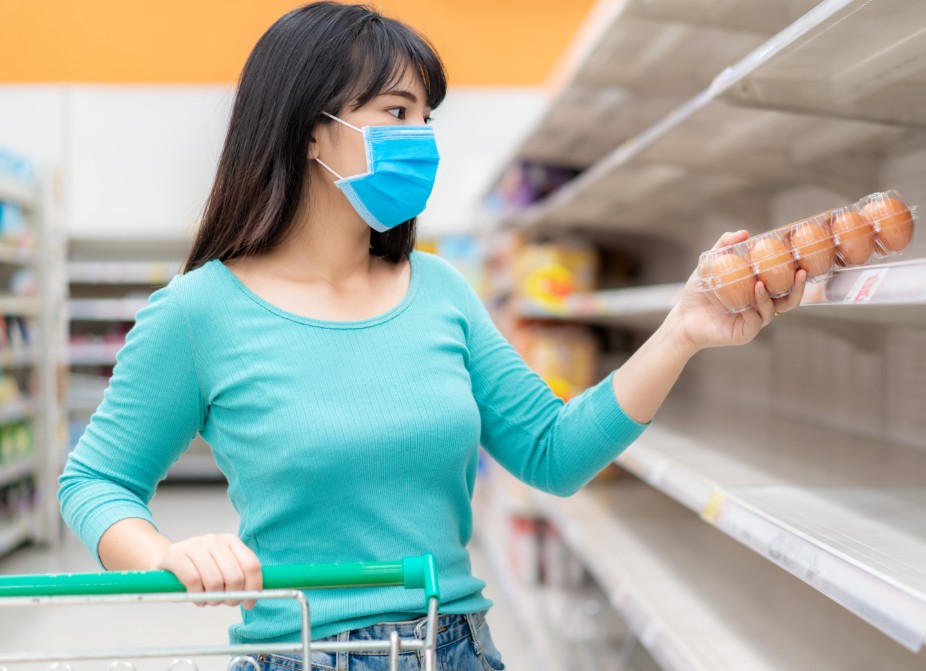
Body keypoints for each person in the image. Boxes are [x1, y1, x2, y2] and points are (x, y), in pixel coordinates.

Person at [57, 2, 807, 670]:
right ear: (314, 131)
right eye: (397, 113)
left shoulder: (440, 289)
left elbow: (552, 451)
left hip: (455, 646)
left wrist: (682, 330)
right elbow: (93, 482)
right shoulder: (198, 312)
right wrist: (168, 554)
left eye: (426, 118)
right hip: (300, 650)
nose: (422, 140)